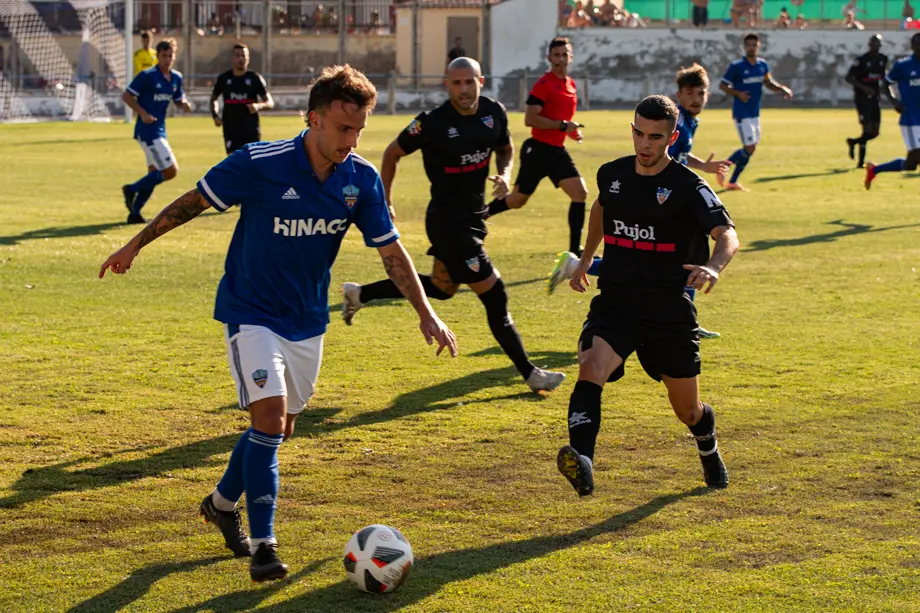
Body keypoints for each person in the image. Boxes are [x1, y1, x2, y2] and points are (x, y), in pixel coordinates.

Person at [99, 65, 458, 582]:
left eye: (359, 130)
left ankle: (222, 503)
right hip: (250, 311)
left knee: (280, 427)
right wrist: (136, 242)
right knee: (269, 420)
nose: (350, 140)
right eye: (342, 128)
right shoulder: (260, 162)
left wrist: (427, 312)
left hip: (307, 320)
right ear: (313, 118)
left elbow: (392, 252)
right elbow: (194, 202)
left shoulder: (361, 179)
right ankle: (265, 546)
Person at [340, 59, 564, 394]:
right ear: (447, 84)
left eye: (469, 82)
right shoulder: (432, 122)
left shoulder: (494, 112)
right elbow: (391, 154)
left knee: (443, 289)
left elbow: (505, 148)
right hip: (447, 223)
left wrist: (504, 174)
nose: (463, 90)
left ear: (481, 81)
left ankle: (359, 293)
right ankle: (530, 373)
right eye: (456, 83)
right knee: (496, 295)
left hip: (474, 218)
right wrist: (385, 200)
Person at [554, 95, 739, 498]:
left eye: (655, 137)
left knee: (687, 410)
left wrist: (714, 266)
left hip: (669, 310)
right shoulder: (613, 173)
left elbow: (728, 233)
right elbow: (601, 207)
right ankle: (582, 460)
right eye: (639, 133)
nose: (645, 144)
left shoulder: (690, 186)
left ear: (672, 138)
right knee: (591, 366)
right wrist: (586, 259)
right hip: (617, 300)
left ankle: (707, 447)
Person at [549, 64, 728, 340]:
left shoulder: (688, 122)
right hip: (658, 190)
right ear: (679, 95)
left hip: (674, 190)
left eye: (701, 92)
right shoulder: (673, 122)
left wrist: (703, 166)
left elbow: (678, 156)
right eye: (689, 93)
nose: (696, 98)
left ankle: (684, 317)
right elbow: (662, 157)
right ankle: (576, 265)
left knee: (677, 252)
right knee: (653, 253)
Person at [486, 37, 588, 257]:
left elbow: (561, 118)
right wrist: (562, 126)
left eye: (565, 54)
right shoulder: (544, 84)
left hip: (556, 151)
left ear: (571, 57)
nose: (561, 59)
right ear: (549, 58)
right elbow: (530, 119)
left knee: (580, 193)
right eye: (557, 55)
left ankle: (574, 251)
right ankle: (480, 215)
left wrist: (570, 130)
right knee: (517, 200)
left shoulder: (570, 84)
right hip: (538, 151)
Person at [121, 39, 191, 224]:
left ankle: (134, 213)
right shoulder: (147, 75)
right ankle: (131, 189)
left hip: (160, 129)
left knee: (153, 173)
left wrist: (183, 104)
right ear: (157, 56)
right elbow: (127, 96)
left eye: (170, 56)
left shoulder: (176, 77)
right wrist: (142, 113)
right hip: (147, 131)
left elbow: (177, 98)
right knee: (170, 171)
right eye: (164, 56)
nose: (167, 59)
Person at [719, 33, 794, 191]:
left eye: (754, 45)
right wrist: (738, 94)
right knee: (749, 147)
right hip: (742, 113)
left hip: (754, 113)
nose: (751, 48)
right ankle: (723, 168)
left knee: (750, 149)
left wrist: (782, 89)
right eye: (749, 45)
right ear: (745, 47)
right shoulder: (737, 66)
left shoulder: (762, 65)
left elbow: (768, 82)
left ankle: (732, 181)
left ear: (758, 46)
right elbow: (723, 85)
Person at [864, 33, 920, 189]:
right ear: (913, 47)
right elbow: (885, 85)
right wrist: (895, 101)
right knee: (916, 155)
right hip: (910, 118)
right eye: (918, 45)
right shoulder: (903, 65)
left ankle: (874, 169)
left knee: (911, 165)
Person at [210, 43, 275, 155]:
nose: (240, 58)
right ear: (232, 58)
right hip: (231, 130)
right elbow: (213, 99)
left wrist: (258, 106)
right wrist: (215, 116)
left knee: (252, 167)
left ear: (248, 58)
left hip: (251, 130)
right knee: (235, 165)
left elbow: (270, 102)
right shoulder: (224, 79)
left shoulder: (255, 78)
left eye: (243, 55)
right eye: (237, 55)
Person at [845, 35, 888, 169]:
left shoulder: (883, 59)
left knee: (875, 132)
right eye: (873, 43)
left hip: (875, 98)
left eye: (878, 43)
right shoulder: (861, 60)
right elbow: (848, 77)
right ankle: (860, 162)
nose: (875, 46)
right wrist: (864, 88)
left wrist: (885, 90)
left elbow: (883, 77)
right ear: (869, 45)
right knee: (866, 128)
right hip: (862, 99)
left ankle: (853, 142)